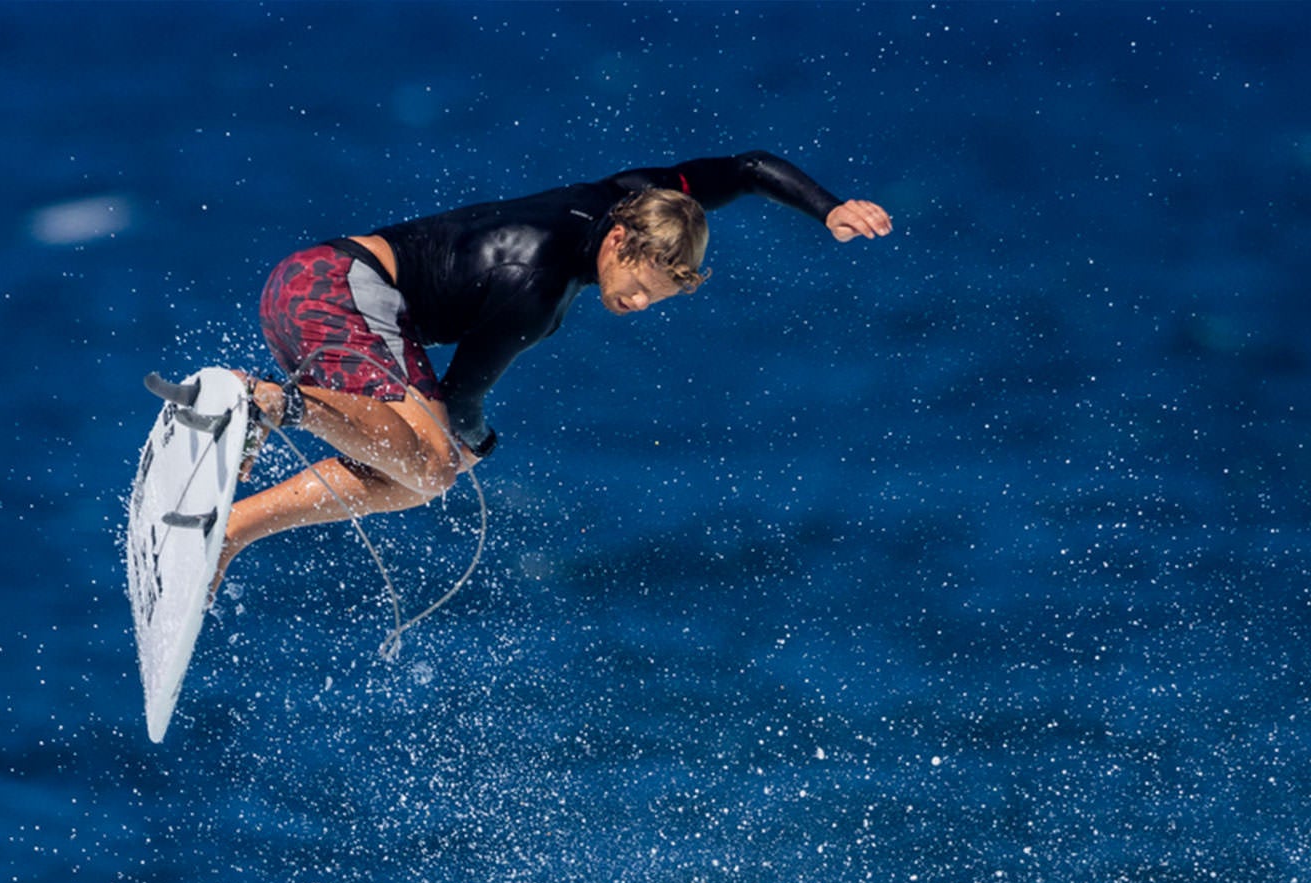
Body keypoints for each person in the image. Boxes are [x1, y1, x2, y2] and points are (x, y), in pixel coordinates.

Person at [201, 150, 892, 589]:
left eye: (661, 297)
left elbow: (743, 170)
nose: (640, 302)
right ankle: (267, 404)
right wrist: (477, 444)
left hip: (312, 286)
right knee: (435, 464)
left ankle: (231, 529)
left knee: (419, 474)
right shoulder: (534, 288)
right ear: (619, 240)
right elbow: (462, 396)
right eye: (641, 283)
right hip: (334, 290)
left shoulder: (638, 197)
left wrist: (828, 208)